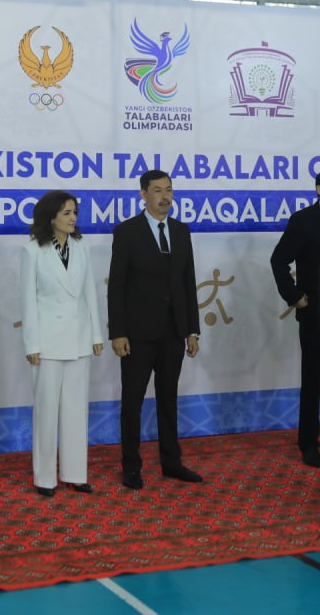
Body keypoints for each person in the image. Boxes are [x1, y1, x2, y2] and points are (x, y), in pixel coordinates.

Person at [108, 169, 203, 490]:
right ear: (143, 195)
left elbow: (188, 282)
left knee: (168, 399)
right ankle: (131, 465)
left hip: (174, 331)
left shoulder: (181, 231)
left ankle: (171, 462)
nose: (165, 197)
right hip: (136, 333)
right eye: (158, 191)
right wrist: (117, 332)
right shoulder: (127, 232)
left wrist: (192, 330)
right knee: (132, 402)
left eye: (169, 190)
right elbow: (117, 286)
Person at [20, 190, 104, 497]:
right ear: (51, 216)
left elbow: (89, 292)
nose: (73, 218)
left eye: (74, 212)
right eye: (66, 212)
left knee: (76, 409)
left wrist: (96, 335)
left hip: (79, 338)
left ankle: (76, 474)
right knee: (46, 411)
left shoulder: (82, 247)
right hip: (47, 342)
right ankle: (44, 478)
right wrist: (32, 344)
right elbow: (28, 300)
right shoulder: (32, 250)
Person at [270, 168, 320, 468]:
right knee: (314, 380)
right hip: (316, 311)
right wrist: (294, 296)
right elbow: (279, 259)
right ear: (319, 190)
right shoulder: (304, 220)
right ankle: (308, 443)